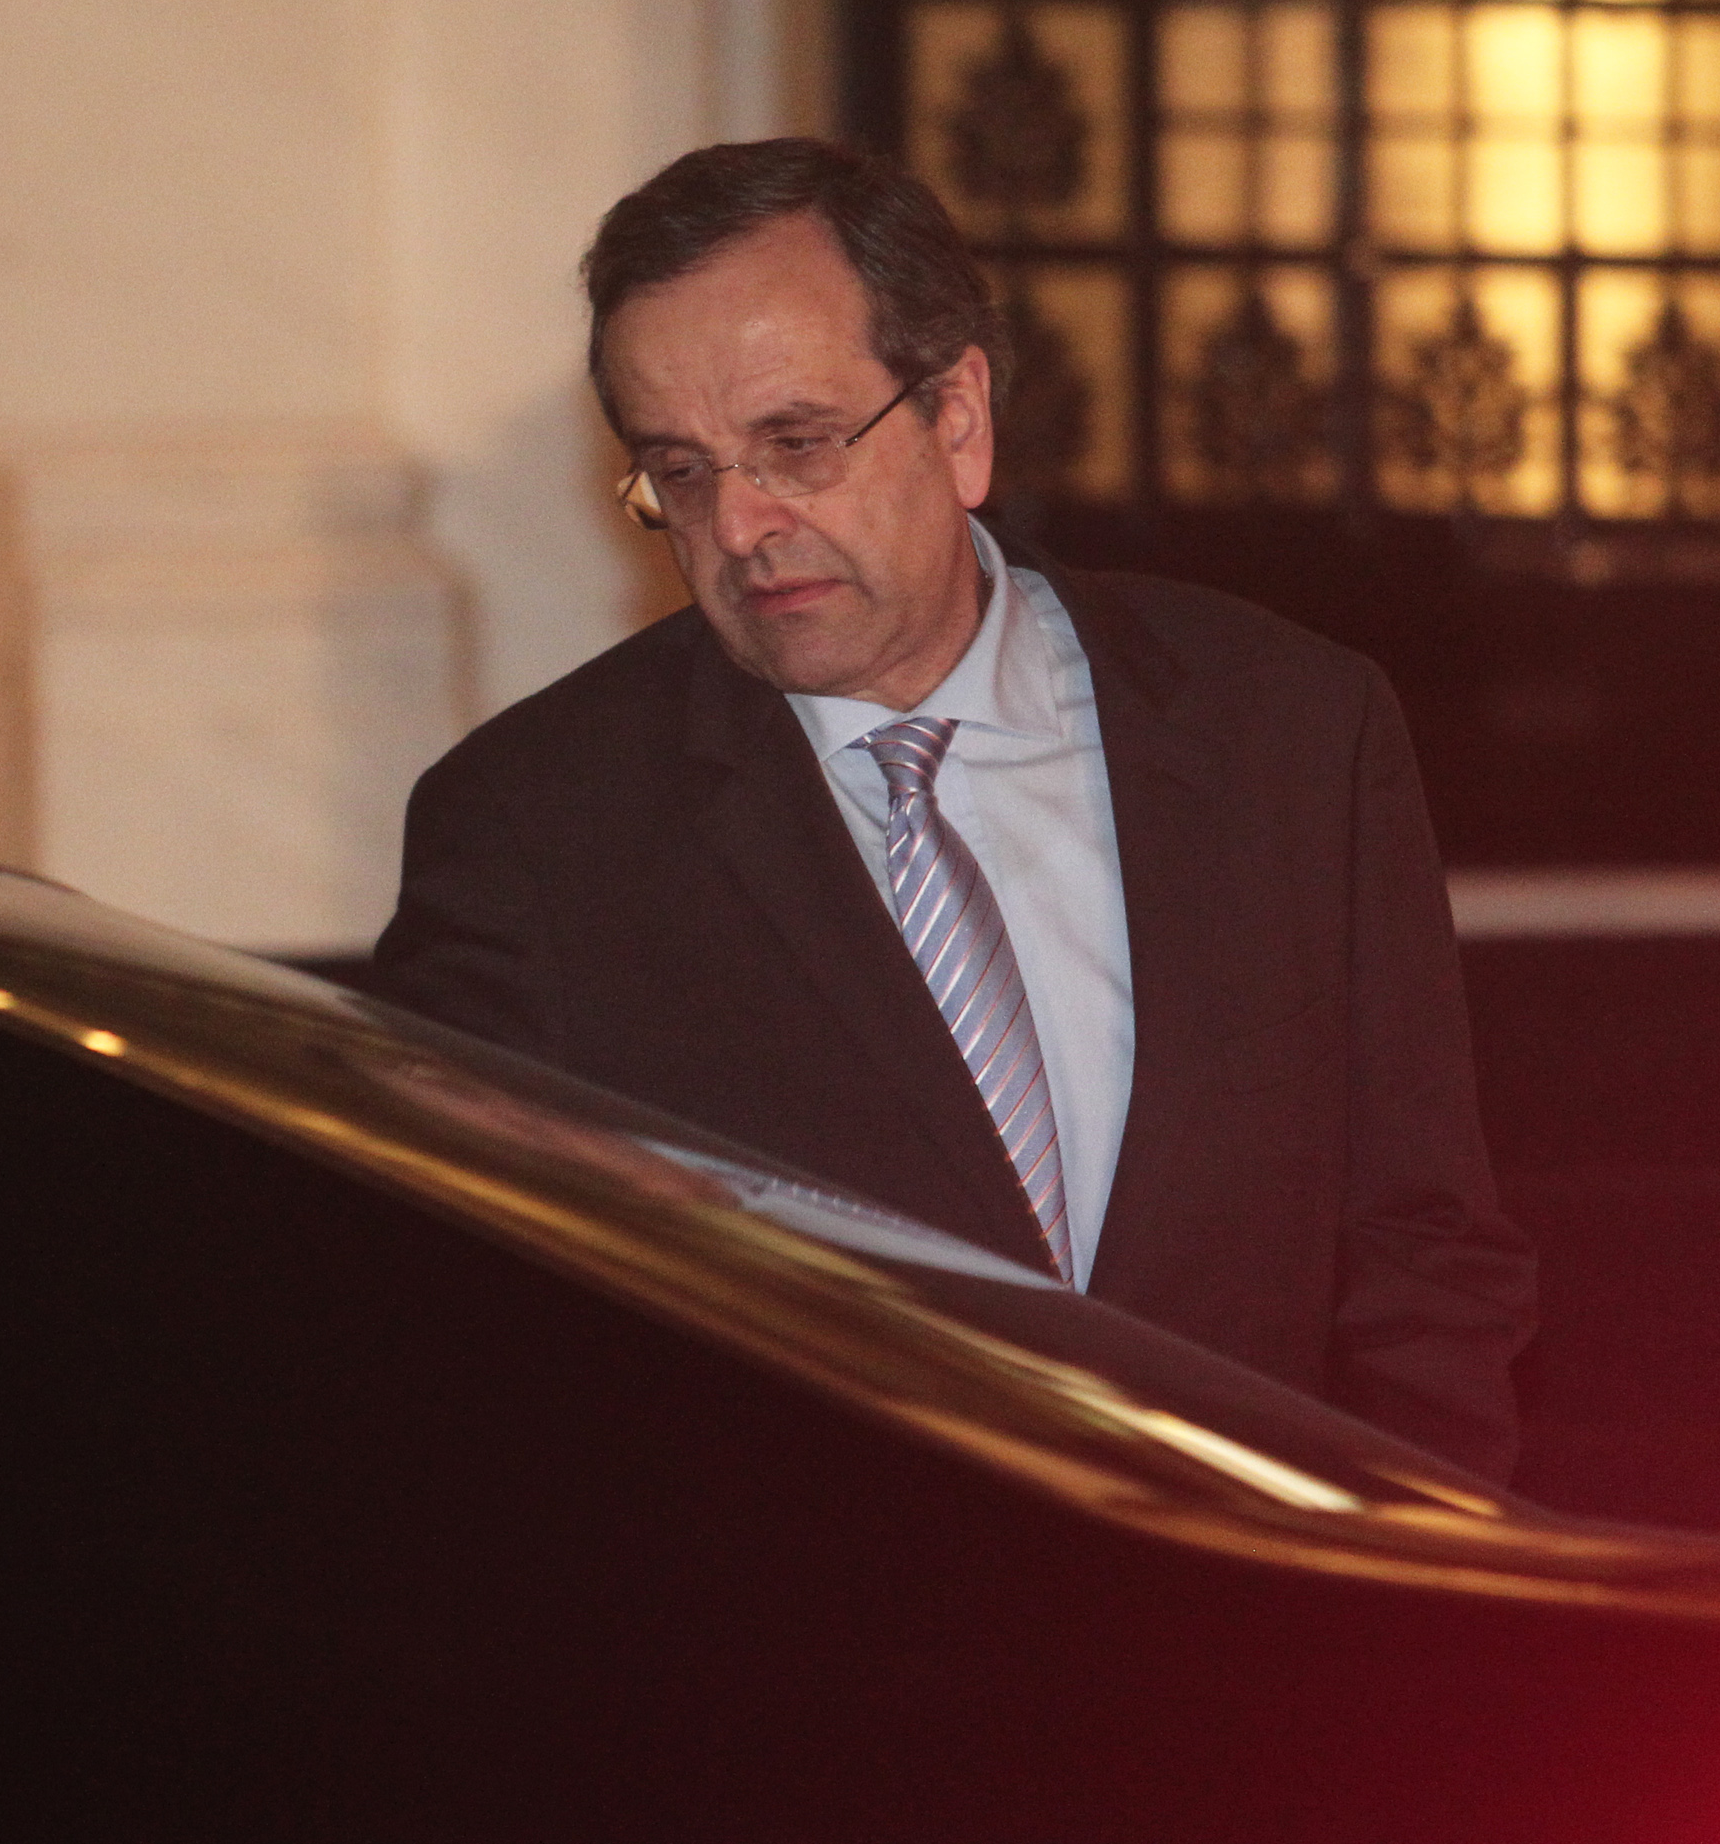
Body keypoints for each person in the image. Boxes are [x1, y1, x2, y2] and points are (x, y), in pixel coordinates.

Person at [374, 138, 1536, 1479]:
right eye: (681, 472)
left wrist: (1405, 1568)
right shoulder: (536, 832)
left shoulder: (1287, 729)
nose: (739, 526)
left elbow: (1421, 1253)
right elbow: (474, 1346)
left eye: (794, 444)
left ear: (959, 418)